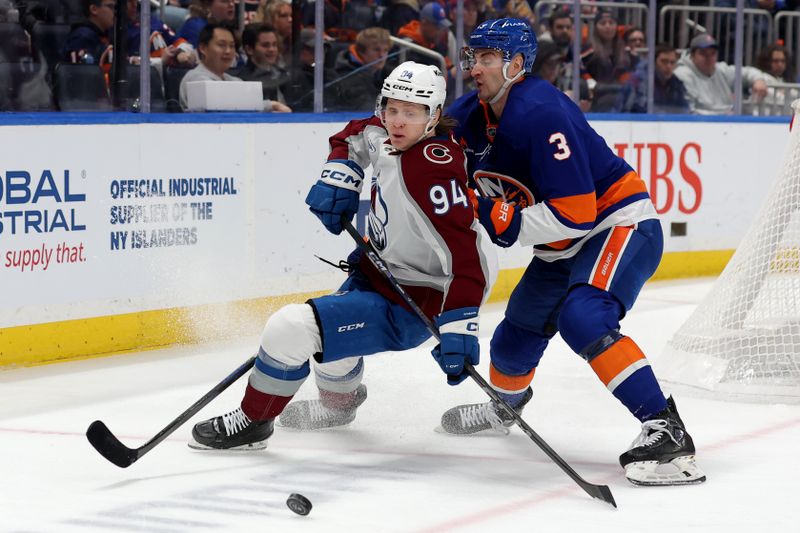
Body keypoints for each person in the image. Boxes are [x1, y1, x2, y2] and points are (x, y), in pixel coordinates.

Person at [440, 18, 705, 487]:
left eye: (486, 58)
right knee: (511, 341)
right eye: (472, 57)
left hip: (617, 225)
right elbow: (422, 153)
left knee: (582, 318)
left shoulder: (542, 112)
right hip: (560, 245)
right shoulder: (468, 115)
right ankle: (506, 408)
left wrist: (508, 221)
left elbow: (578, 213)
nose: (474, 68)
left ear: (516, 65)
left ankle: (668, 431)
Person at [188, 61, 497, 450]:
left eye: (412, 113)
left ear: (433, 117)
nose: (397, 122)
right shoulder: (385, 131)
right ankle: (339, 405)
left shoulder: (433, 172)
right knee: (329, 341)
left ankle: (253, 422)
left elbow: (466, 260)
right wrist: (341, 173)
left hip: (422, 296)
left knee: (291, 329)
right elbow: (354, 134)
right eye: (392, 108)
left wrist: (460, 326)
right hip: (381, 272)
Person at [179, 21, 291, 111]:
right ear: (203, 48)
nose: (228, 51)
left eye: (232, 46)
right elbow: (220, 106)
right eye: (221, 45)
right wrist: (271, 105)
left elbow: (250, 104)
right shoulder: (195, 78)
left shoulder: (234, 80)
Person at [673, 33, 767, 115]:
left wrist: (758, 80)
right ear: (692, 55)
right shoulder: (682, 75)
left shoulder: (721, 69)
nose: (709, 58)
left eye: (712, 54)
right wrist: (721, 116)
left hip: (727, 122)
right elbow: (689, 112)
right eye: (703, 54)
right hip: (700, 126)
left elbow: (748, 72)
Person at [331, 26, 393, 112]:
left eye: (385, 50)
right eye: (376, 50)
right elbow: (368, 108)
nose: (382, 55)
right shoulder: (348, 76)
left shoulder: (390, 74)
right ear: (361, 51)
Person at [615, 43, 690, 114]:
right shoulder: (638, 80)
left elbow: (683, 108)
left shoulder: (677, 83)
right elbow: (633, 108)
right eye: (664, 61)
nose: (668, 66)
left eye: (672, 62)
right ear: (653, 62)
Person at [236, 22, 290, 105]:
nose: (272, 49)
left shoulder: (284, 75)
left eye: (274, 45)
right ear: (249, 49)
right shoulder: (242, 82)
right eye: (265, 45)